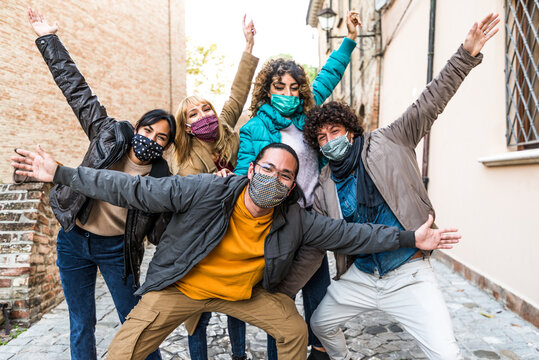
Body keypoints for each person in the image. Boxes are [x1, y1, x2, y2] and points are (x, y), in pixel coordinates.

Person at [12, 142, 460, 360]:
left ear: (291, 187)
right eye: (268, 168)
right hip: (180, 289)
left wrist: (409, 238)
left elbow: (353, 236)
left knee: (293, 330)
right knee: (122, 351)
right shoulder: (207, 191)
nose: (276, 178)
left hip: (241, 295)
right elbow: (132, 188)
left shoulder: (296, 219)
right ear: (252, 168)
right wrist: (62, 173)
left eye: (286, 175)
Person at [300, 13, 500, 360]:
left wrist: (466, 55)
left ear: (349, 130)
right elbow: (320, 239)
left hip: (408, 272)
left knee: (447, 355)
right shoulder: (323, 186)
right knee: (320, 323)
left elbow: (430, 102)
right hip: (360, 277)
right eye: (321, 137)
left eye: (334, 131)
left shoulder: (389, 140)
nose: (329, 140)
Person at [25, 8, 179, 360]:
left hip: (117, 252)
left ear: (166, 147)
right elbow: (77, 90)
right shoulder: (108, 134)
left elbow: (159, 235)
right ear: (136, 128)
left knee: (134, 322)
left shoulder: (160, 180)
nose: (151, 140)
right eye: (147, 130)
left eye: (161, 138)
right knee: (81, 322)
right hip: (74, 240)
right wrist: (48, 38)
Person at [234, 10, 362, 360]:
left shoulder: (308, 115)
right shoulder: (253, 128)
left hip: (314, 217)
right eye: (280, 87)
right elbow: (243, 175)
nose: (288, 93)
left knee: (320, 297)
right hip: (277, 223)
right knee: (280, 300)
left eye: (294, 87)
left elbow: (329, 74)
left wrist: (349, 39)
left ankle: (318, 353)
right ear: (268, 90)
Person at [172, 16, 259, 360]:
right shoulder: (186, 159)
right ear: (187, 127)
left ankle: (239, 355)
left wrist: (248, 47)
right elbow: (186, 191)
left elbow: (238, 90)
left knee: (238, 304)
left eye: (205, 108)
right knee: (199, 313)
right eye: (193, 114)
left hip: (238, 234)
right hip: (204, 240)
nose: (203, 115)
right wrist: (212, 183)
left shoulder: (225, 130)